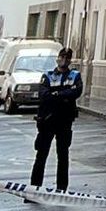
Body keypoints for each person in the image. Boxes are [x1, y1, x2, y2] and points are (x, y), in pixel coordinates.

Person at [29, 47, 83, 193]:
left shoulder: (75, 75)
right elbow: (44, 95)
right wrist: (63, 95)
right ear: (57, 58)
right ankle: (34, 188)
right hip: (47, 120)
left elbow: (75, 92)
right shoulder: (48, 75)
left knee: (63, 155)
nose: (64, 60)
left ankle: (61, 189)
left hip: (65, 120)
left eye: (67, 58)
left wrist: (56, 94)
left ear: (70, 60)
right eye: (62, 57)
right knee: (41, 155)